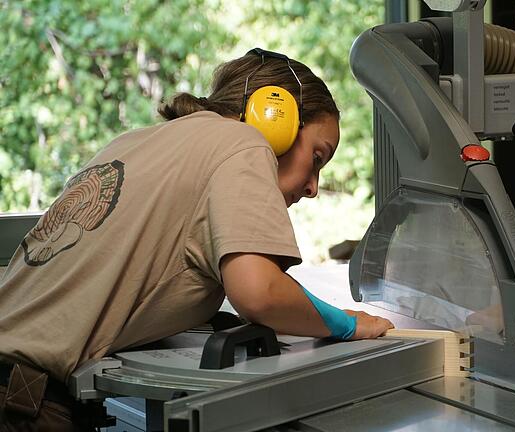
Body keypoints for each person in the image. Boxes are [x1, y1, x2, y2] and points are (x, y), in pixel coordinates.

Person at [0, 49, 394, 430]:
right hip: (22, 403)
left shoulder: (134, 142)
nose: (313, 187)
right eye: (318, 158)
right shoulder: (244, 142)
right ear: (276, 120)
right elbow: (260, 294)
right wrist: (346, 325)